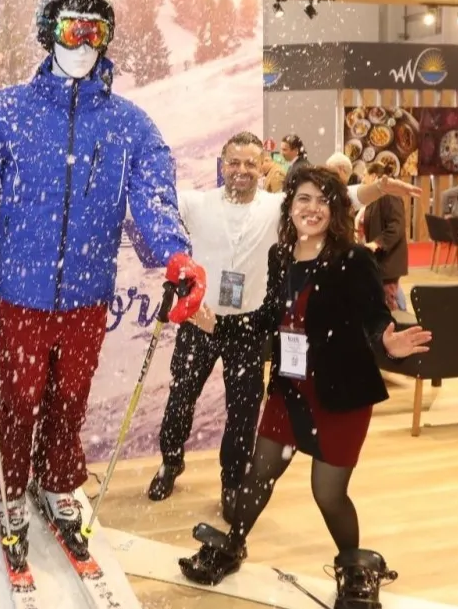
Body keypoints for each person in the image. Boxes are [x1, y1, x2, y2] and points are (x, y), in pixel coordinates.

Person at [0, 0, 208, 568]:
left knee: (70, 397)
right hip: (23, 292)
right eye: (70, 28)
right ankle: (8, 489)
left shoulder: (130, 125)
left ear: (108, 38)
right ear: (47, 31)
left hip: (87, 292)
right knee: (19, 398)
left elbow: (153, 199)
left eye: (95, 31)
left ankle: (58, 481)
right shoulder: (2, 112)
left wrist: (175, 253)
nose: (82, 43)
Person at [178, 166, 432, 608]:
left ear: (335, 209)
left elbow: (375, 318)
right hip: (291, 388)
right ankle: (233, 545)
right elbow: (267, 318)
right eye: (303, 199)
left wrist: (387, 342)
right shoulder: (281, 256)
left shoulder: (354, 260)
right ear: (290, 207)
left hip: (342, 392)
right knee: (259, 474)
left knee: (327, 493)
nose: (312, 209)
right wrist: (218, 324)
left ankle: (355, 568)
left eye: (322, 200)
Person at [148, 138, 424, 522]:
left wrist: (379, 188)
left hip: (248, 327)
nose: (241, 170)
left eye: (250, 163)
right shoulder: (196, 203)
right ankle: (170, 461)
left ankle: (232, 482)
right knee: (180, 398)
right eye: (234, 162)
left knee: (243, 411)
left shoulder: (277, 206)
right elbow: (152, 202)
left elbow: (338, 197)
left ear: (262, 166)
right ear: (222, 164)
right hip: (201, 322)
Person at [356, 162, 408, 309]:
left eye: (364, 175)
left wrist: (377, 243)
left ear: (373, 176)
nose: (362, 180)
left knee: (390, 304)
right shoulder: (375, 197)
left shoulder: (390, 194)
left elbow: (396, 226)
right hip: (379, 260)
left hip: (388, 260)